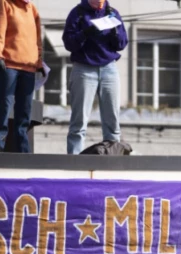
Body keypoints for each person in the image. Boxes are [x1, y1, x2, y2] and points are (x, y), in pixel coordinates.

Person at [62, 0, 128, 155]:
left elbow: (122, 44)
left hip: (109, 68)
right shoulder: (77, 13)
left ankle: (113, 157)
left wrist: (115, 30)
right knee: (79, 121)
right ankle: (74, 161)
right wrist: (85, 33)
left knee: (112, 120)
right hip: (84, 68)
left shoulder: (112, 12)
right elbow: (69, 43)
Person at [0, 0, 42, 153]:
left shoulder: (32, 9)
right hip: (8, 66)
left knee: (24, 113)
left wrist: (39, 61)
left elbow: (37, 39)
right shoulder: (3, 3)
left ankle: (23, 155)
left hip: (29, 68)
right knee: (3, 108)